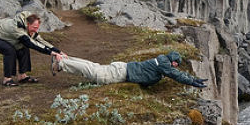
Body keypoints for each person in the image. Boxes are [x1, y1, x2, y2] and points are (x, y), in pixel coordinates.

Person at [0, 11, 66, 86]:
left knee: (23, 48)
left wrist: (58, 51)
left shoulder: (28, 23)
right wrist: (51, 53)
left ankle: (22, 76)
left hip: (2, 33)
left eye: (37, 28)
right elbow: (31, 44)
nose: (36, 31)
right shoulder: (16, 28)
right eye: (35, 28)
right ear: (28, 24)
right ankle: (7, 79)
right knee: (9, 50)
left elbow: (40, 40)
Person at [51, 50, 207, 88]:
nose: (176, 67)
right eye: (176, 64)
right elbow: (177, 76)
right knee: (94, 72)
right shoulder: (165, 65)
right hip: (122, 72)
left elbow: (176, 73)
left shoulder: (161, 60)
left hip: (124, 67)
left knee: (93, 67)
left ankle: (64, 58)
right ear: (173, 61)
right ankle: (61, 63)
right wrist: (193, 82)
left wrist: (193, 78)